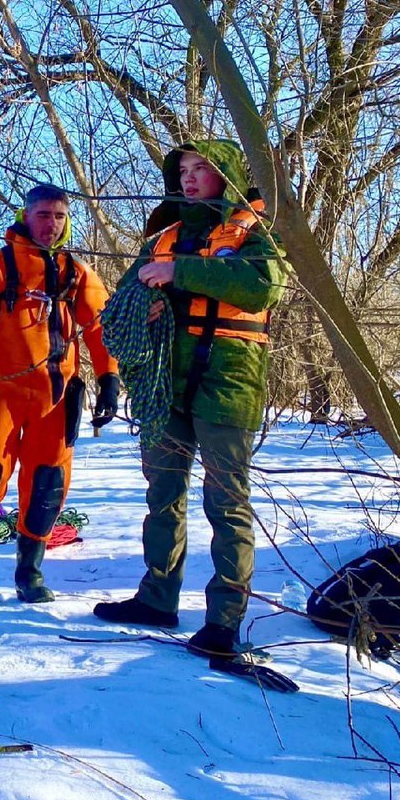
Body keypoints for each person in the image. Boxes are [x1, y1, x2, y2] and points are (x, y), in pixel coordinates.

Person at [93, 140, 288, 658]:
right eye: (183, 170)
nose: (190, 177)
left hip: (229, 386)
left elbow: (262, 288)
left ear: (224, 172)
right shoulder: (166, 235)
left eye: (201, 168)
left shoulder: (254, 231)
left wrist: (180, 273)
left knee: (226, 505)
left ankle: (224, 622)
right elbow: (123, 303)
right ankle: (158, 598)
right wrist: (146, 306)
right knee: (163, 496)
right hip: (165, 387)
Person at [0, 183, 119, 608]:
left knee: (47, 483)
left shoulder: (78, 272)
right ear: (26, 215)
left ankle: (30, 573)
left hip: (57, 396)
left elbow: (101, 327)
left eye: (58, 216)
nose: (50, 224)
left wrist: (109, 376)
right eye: (42, 215)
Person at [307, 532, 400, 658]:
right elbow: (388, 605)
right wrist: (382, 638)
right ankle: (383, 638)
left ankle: (384, 637)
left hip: (321, 606)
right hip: (329, 616)